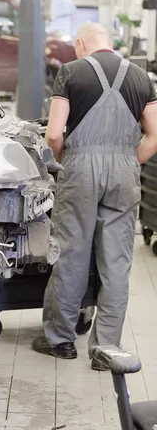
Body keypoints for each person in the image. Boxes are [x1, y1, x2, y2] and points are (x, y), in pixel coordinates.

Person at [32, 23, 157, 370]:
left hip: (80, 168)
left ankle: (60, 341)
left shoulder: (70, 72)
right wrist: (130, 162)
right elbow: (155, 134)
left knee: (71, 253)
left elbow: (54, 133)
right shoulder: (140, 77)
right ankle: (106, 351)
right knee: (116, 263)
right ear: (110, 44)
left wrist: (60, 163)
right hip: (124, 170)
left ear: (81, 44)